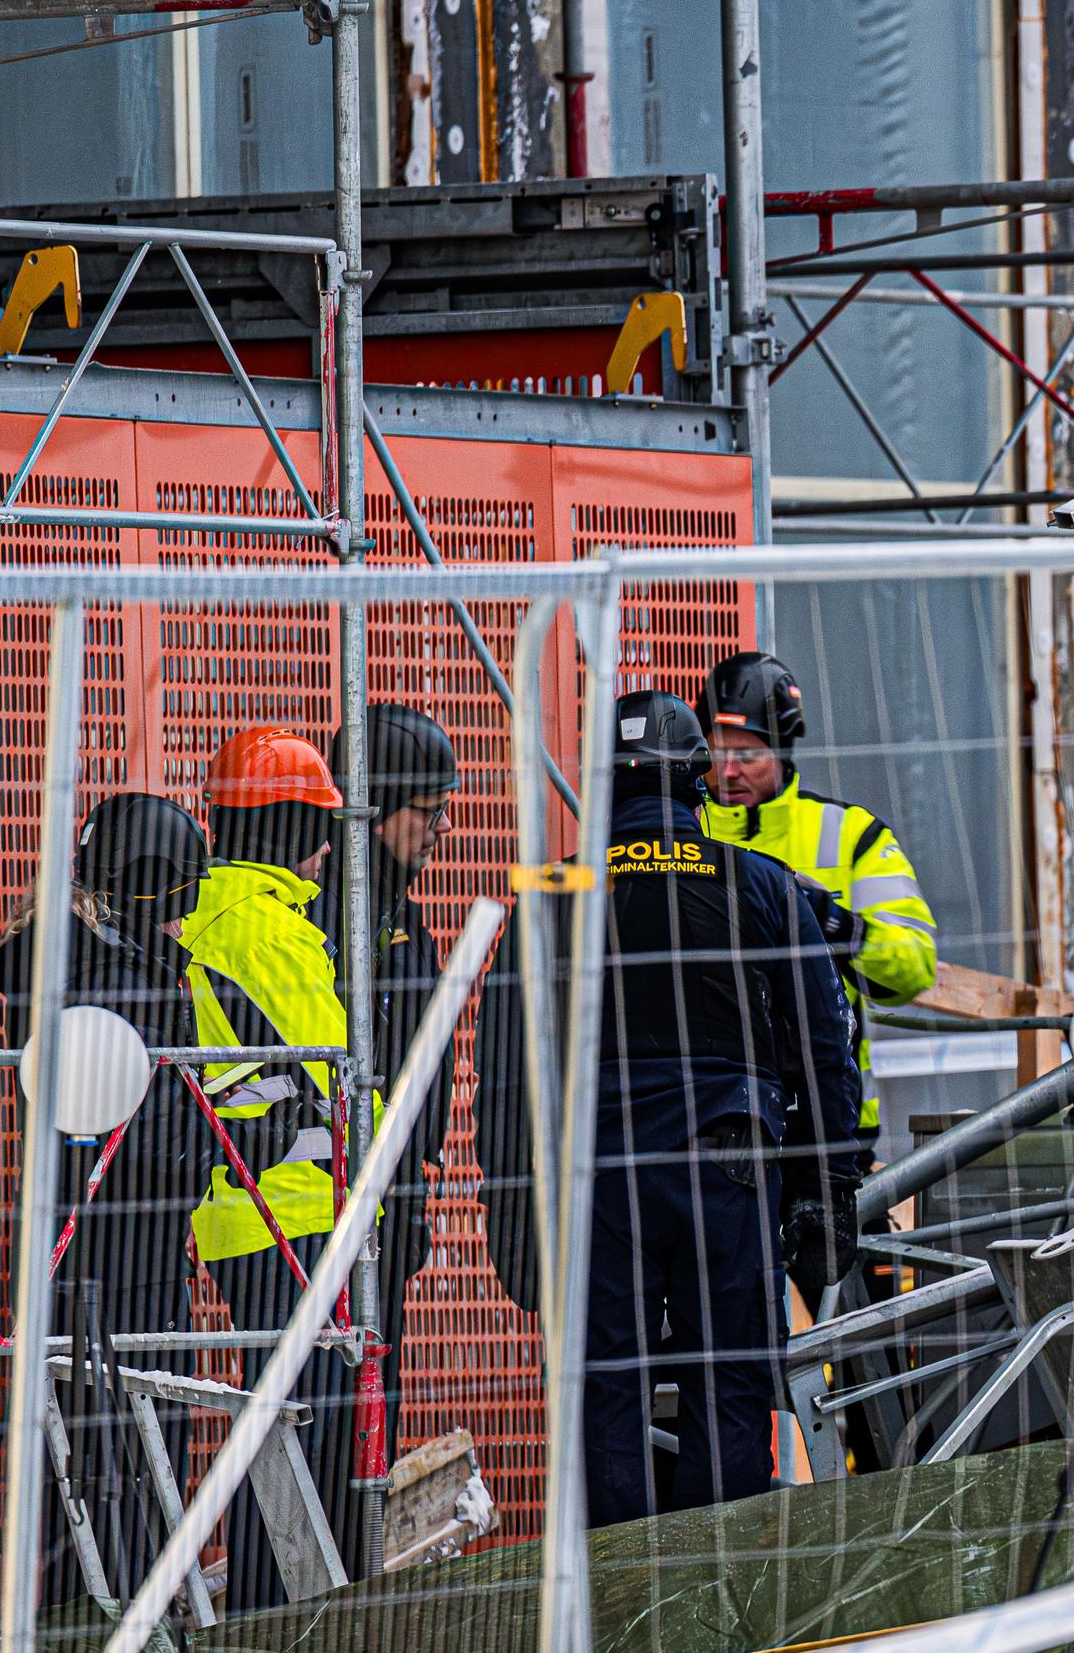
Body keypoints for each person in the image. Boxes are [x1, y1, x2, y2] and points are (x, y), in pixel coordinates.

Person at [478, 692, 865, 1528]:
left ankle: (619, 1607)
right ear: (699, 782)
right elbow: (824, 1050)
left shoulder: (549, 894)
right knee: (729, 1383)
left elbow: (506, 1069)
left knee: (605, 1385)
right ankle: (717, 1608)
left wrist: (509, 1203)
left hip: (598, 1176)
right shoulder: (761, 885)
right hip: (727, 1165)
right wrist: (829, 1183)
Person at [0, 795, 299, 1611]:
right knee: (131, 1477)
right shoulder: (121, 984)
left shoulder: (67, 969)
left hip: (68, 1266)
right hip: (129, 1272)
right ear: (161, 885)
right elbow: (155, 1139)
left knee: (75, 1489)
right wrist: (263, 1144)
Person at [172, 725, 365, 1612]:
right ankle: (273, 1618)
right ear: (291, 828)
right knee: (303, 1430)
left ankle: (271, 1609)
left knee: (281, 1418)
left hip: (245, 1209)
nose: (329, 845)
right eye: (319, 824)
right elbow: (337, 1076)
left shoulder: (209, 910)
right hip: (291, 1210)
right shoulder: (267, 931)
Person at [698, 649, 936, 1144]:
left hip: (827, 1124)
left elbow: (913, 967)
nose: (730, 771)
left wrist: (838, 926)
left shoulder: (851, 836)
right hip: (704, 1123)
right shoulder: (681, 836)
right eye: (716, 753)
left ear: (783, 752)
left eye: (747, 754)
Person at [314, 701, 458, 1428]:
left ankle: (356, 1543)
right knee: (331, 1409)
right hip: (333, 1201)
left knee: (376, 1404)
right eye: (428, 811)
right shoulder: (330, 915)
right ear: (375, 812)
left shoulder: (398, 914)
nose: (441, 830)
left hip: (391, 1191)